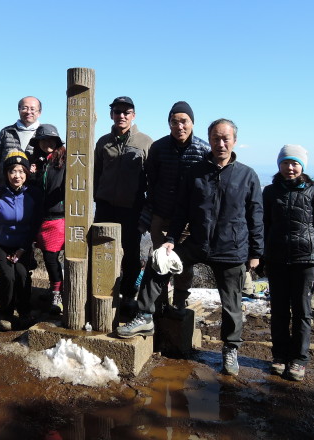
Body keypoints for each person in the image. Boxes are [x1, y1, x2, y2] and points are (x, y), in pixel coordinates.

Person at [117, 119, 264, 378]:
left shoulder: (247, 175)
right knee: (157, 263)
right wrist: (171, 239)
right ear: (208, 139)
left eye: (225, 138)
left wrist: (256, 252)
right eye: (216, 138)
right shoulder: (196, 173)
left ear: (234, 141)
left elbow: (256, 216)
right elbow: (181, 210)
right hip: (197, 243)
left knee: (232, 304)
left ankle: (230, 348)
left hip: (231, 249)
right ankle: (145, 316)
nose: (220, 143)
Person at [263, 144, 314, 382]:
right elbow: (263, 226)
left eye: (294, 163)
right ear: (279, 165)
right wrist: (261, 256)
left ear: (302, 166)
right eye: (285, 163)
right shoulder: (270, 192)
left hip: (306, 259)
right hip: (277, 258)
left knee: (302, 311)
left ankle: (299, 360)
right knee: (279, 310)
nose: (289, 168)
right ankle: (280, 356)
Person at [143, 101, 209, 317]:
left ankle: (180, 301)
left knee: (182, 264)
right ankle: (158, 304)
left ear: (192, 123)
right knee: (157, 261)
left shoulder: (203, 150)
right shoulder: (159, 147)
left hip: (188, 220)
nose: (179, 126)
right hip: (161, 214)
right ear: (169, 123)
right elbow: (151, 180)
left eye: (184, 121)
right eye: (174, 121)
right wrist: (152, 209)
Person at [93, 96, 153, 315]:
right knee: (101, 248)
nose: (121, 116)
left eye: (126, 112)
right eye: (117, 112)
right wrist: (96, 196)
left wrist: (147, 206)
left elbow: (151, 176)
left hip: (132, 206)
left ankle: (128, 295)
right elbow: (96, 171)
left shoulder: (145, 142)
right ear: (111, 115)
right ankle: (101, 291)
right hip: (105, 205)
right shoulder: (103, 142)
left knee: (130, 253)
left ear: (133, 115)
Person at [0, 150, 43, 331]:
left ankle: (24, 312)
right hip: (1, 243)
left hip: (23, 244)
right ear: (6, 174)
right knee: (8, 276)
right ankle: (6, 313)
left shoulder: (34, 193)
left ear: (27, 173)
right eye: (12, 171)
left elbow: (35, 224)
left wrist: (23, 248)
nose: (17, 175)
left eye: (21, 171)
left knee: (23, 275)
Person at [29, 124, 66, 314]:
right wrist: (33, 175)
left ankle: (58, 294)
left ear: (57, 141)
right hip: (43, 218)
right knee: (48, 257)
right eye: (42, 140)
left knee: (52, 258)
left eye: (50, 139)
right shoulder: (42, 162)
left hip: (59, 217)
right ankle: (55, 290)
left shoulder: (65, 159)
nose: (46, 143)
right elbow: (39, 189)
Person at [0, 96, 42, 191]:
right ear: (19, 110)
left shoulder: (44, 134)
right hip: (4, 188)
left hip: (33, 189)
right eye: (24, 108)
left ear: (39, 112)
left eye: (33, 109)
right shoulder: (6, 132)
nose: (28, 112)